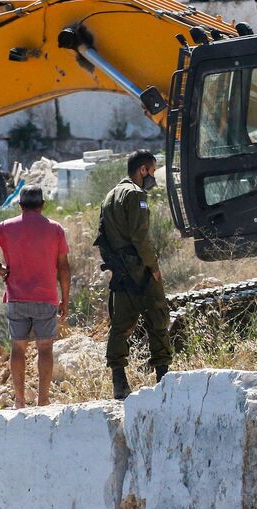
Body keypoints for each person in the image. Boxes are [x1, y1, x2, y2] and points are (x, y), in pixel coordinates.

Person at [0, 185, 70, 408]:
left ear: (19, 205)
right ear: (43, 205)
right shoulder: (55, 229)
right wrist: (65, 299)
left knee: (18, 348)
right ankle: (43, 401)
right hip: (46, 298)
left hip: (16, 298)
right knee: (45, 348)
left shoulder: (6, 227)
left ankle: (19, 402)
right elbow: (64, 268)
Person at [98, 149, 173, 400]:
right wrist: (153, 266)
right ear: (143, 170)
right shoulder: (136, 194)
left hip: (120, 270)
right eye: (152, 170)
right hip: (139, 268)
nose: (152, 175)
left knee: (121, 325)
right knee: (158, 318)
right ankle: (164, 379)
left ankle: (119, 382)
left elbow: (103, 236)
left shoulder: (109, 196)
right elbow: (140, 237)